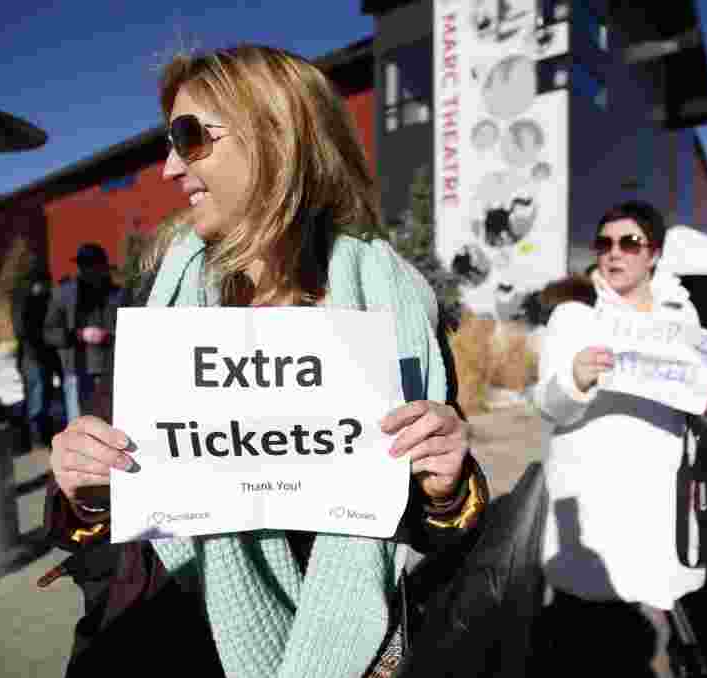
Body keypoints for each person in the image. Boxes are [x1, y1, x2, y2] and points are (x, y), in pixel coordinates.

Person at [43, 44, 487, 677]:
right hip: (167, 645)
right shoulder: (164, 301)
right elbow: (101, 517)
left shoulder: (394, 308)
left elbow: (431, 531)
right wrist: (84, 491)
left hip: (346, 652)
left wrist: (448, 488)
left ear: (279, 137)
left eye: (190, 137)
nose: (169, 167)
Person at [530, 201, 707, 677]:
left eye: (629, 243)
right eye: (604, 243)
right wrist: (575, 380)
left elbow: (704, 405)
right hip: (595, 512)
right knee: (584, 646)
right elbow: (547, 404)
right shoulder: (575, 316)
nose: (613, 253)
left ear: (654, 254)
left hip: (658, 507)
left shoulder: (683, 318)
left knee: (648, 642)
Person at [43, 243, 122, 425]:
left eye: (94, 265)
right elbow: (49, 333)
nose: (89, 270)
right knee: (80, 429)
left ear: (103, 267)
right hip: (76, 372)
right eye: (84, 265)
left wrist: (109, 336)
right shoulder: (64, 294)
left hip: (112, 372)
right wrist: (79, 335)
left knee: (114, 427)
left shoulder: (118, 295)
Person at [11, 256, 62, 449]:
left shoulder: (43, 300)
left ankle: (37, 434)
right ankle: (36, 437)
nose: (47, 287)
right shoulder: (24, 302)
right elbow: (23, 330)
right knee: (37, 397)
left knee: (42, 396)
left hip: (42, 355)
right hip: (32, 357)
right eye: (44, 284)